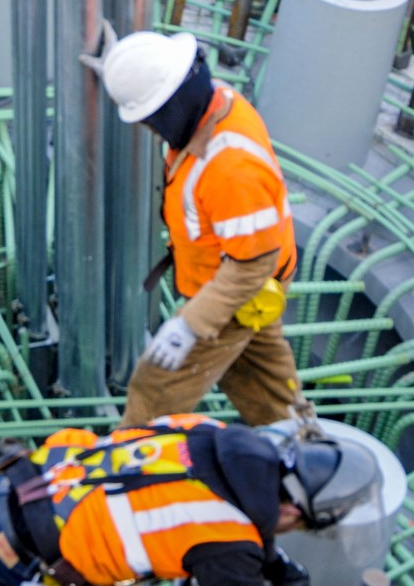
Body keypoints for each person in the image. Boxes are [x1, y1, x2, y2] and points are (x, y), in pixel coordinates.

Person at [82, 27, 301, 429]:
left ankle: (128, 464)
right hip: (240, 287)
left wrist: (190, 325)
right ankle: (304, 449)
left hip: (235, 293)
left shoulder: (231, 168)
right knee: (262, 382)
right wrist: (122, 73)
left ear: (172, 106)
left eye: (150, 120)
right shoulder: (209, 102)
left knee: (156, 387)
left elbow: (251, 266)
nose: (149, 131)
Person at [0, 413, 381, 586]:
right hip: (19, 552)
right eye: (299, 525)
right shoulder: (229, 543)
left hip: (5, 487)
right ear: (291, 509)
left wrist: (276, 566)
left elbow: (237, 509)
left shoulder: (210, 430)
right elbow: (231, 541)